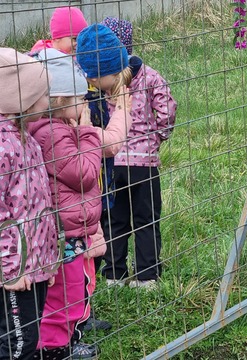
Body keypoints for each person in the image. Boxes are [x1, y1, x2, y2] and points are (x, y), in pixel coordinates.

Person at [77, 23, 177, 289]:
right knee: (146, 219)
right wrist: (157, 138)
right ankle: (147, 275)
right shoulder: (150, 76)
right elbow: (167, 110)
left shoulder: (95, 83)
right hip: (144, 164)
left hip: (111, 163)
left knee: (114, 219)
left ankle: (114, 274)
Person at [28, 48, 103, 360]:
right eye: (78, 97)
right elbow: (84, 173)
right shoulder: (53, 134)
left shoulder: (57, 129)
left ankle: (67, 340)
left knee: (75, 287)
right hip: (64, 232)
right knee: (63, 293)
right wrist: (87, 131)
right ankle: (56, 348)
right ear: (59, 100)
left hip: (70, 227)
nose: (84, 103)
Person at [73, 23, 134, 332]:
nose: (121, 78)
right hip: (80, 193)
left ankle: (82, 314)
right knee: (82, 257)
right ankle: (74, 322)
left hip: (95, 188)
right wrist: (123, 107)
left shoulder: (92, 93)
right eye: (117, 72)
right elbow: (109, 144)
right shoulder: (78, 104)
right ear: (97, 75)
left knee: (92, 253)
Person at [0, 47, 60, 360]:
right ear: (20, 100)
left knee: (29, 333)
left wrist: (46, 259)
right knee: (19, 344)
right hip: (13, 269)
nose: (49, 101)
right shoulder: (4, 146)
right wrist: (10, 268)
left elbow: (38, 202)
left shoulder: (26, 139)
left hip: (33, 261)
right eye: (43, 95)